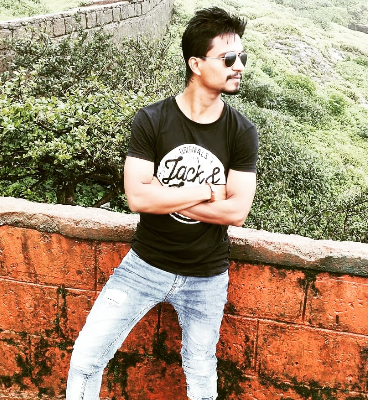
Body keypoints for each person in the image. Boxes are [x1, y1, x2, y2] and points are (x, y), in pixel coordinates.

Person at [66, 6, 258, 400]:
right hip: (143, 266)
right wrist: (206, 191)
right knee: (85, 358)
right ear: (196, 64)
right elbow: (138, 197)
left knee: (201, 375)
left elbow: (237, 211)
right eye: (228, 58)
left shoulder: (241, 131)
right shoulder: (153, 120)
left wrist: (164, 196)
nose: (239, 66)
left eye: (242, 57)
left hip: (207, 277)